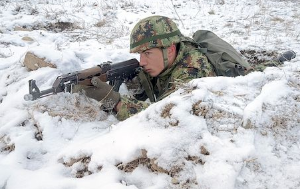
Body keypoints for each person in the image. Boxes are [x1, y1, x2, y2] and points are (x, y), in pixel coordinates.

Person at [74, 15, 296, 121]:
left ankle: (283, 58)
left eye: (148, 53)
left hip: (234, 75)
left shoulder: (193, 70)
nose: (142, 62)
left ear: (170, 50)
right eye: (140, 54)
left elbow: (163, 118)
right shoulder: (163, 60)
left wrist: (114, 100)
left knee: (263, 69)